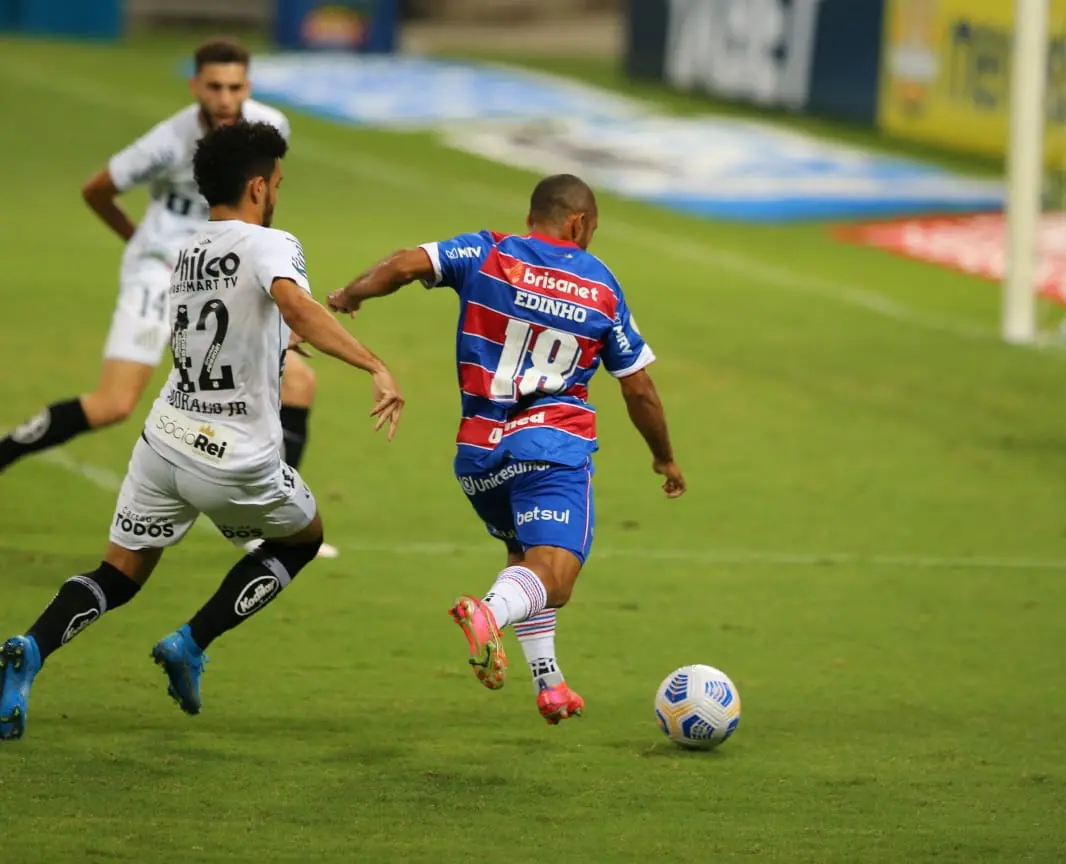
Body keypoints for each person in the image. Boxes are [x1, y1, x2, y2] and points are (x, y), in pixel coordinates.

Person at [0, 122, 404, 741]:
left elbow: (234, 321)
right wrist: (374, 364)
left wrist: (278, 338)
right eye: (278, 183)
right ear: (258, 186)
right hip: (234, 455)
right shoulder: (272, 243)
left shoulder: (189, 248)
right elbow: (292, 303)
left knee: (117, 574)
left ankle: (32, 647)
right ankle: (191, 642)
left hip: (162, 441)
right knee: (299, 542)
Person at [328, 174, 684, 725]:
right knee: (556, 577)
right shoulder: (600, 284)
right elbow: (637, 385)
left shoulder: (486, 251)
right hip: (552, 446)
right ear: (579, 224)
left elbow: (402, 264)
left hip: (478, 458)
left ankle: (550, 682)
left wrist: (351, 293)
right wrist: (663, 455)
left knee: (526, 560)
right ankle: (488, 616)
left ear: (531, 218)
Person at [0, 38, 337, 558]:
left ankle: (269, 516)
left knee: (298, 383)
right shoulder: (166, 142)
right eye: (214, 87)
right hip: (160, 273)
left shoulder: (269, 131)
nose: (225, 98)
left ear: (248, 86)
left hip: (227, 273)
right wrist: (141, 242)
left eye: (235, 87)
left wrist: (275, 293)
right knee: (113, 404)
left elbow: (263, 210)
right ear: (195, 86)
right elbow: (97, 189)